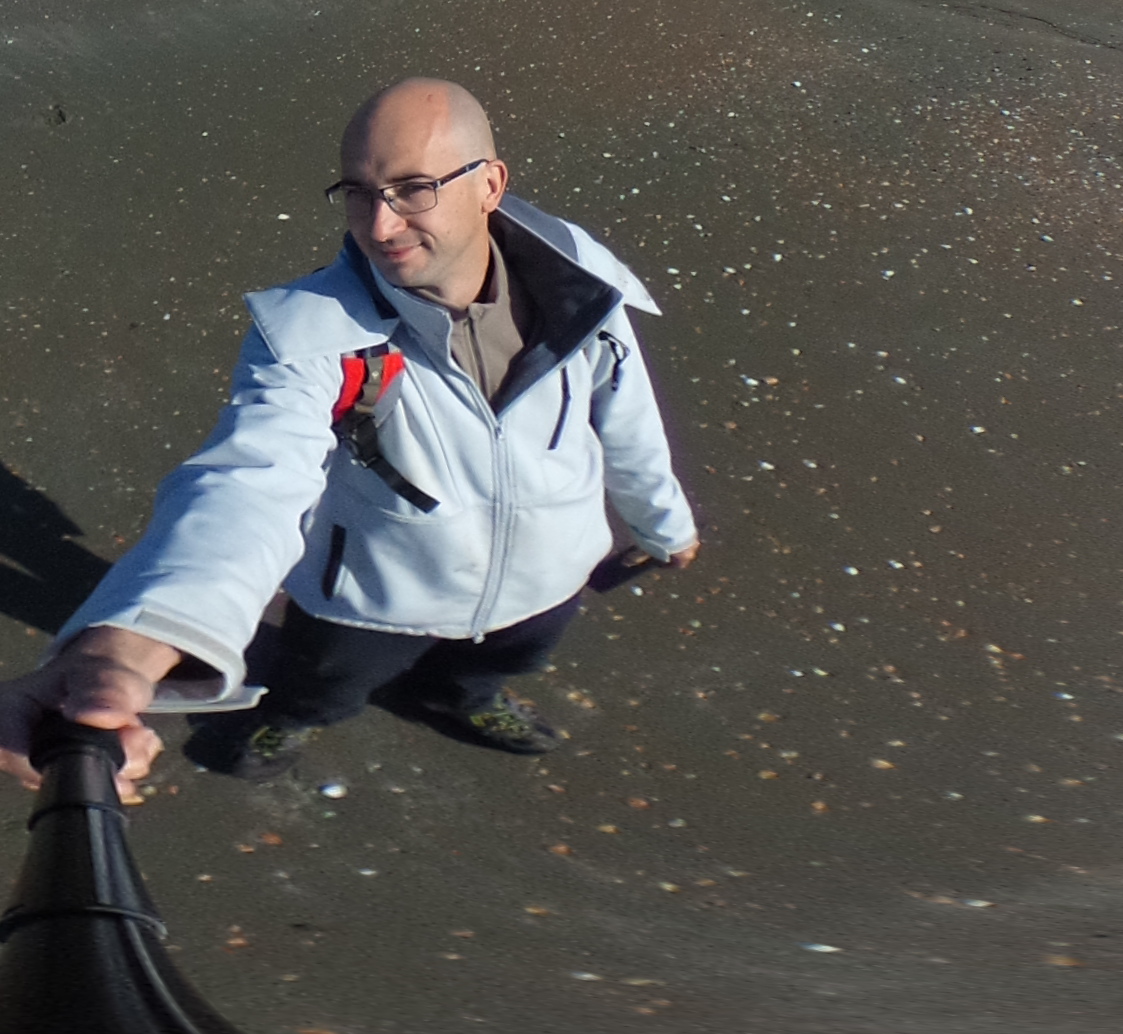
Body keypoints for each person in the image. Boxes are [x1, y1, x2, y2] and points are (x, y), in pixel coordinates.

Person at [0, 78, 699, 799]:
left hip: (547, 578)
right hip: (372, 598)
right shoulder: (313, 335)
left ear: (489, 184)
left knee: (498, 664)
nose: (382, 226)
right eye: (359, 194)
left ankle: (464, 699)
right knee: (319, 684)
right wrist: (127, 649)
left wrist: (663, 524)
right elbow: (251, 480)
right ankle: (287, 719)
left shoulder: (582, 283)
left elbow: (628, 418)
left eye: (413, 189)